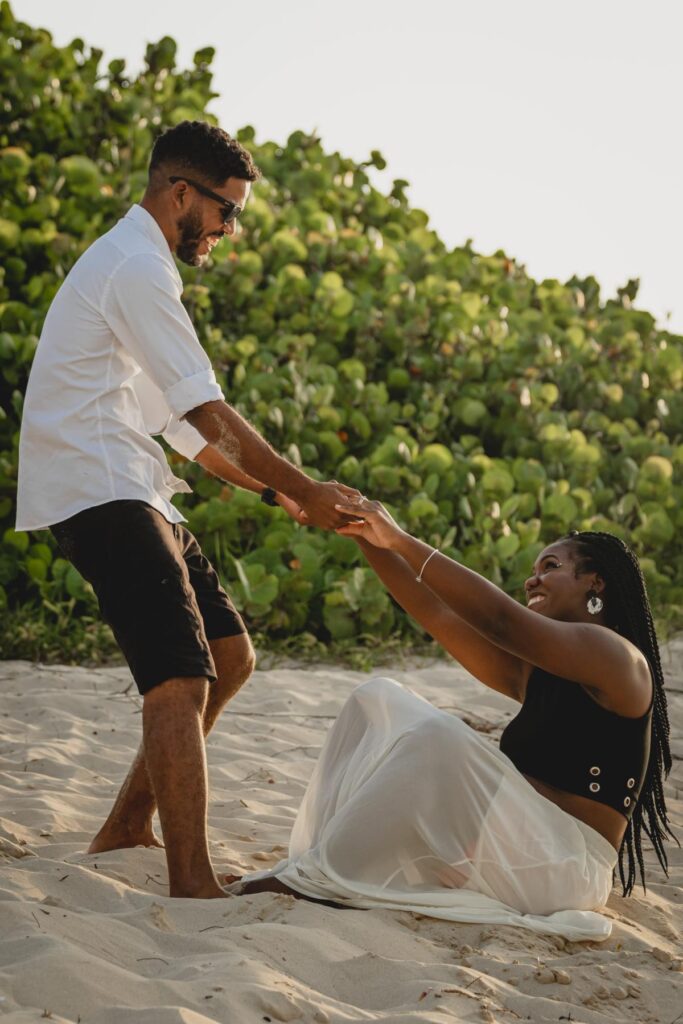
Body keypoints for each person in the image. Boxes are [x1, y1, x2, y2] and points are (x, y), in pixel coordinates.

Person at [16, 120, 358, 900]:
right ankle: (191, 879)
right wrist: (308, 488)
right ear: (180, 194)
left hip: (131, 480)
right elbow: (207, 409)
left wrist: (277, 494)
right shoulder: (136, 265)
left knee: (230, 655)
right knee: (179, 679)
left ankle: (127, 826)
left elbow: (181, 430)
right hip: (97, 485)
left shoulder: (134, 265)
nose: (229, 230)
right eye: (225, 211)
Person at [232, 500, 675, 939]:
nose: (531, 579)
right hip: (511, 853)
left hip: (565, 869)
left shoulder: (619, 659)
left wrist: (401, 540)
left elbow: (501, 621)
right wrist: (363, 534)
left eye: (550, 566)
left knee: (437, 738)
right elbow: (438, 614)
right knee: (378, 698)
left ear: (595, 582)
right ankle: (324, 861)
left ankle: (318, 880)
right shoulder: (534, 672)